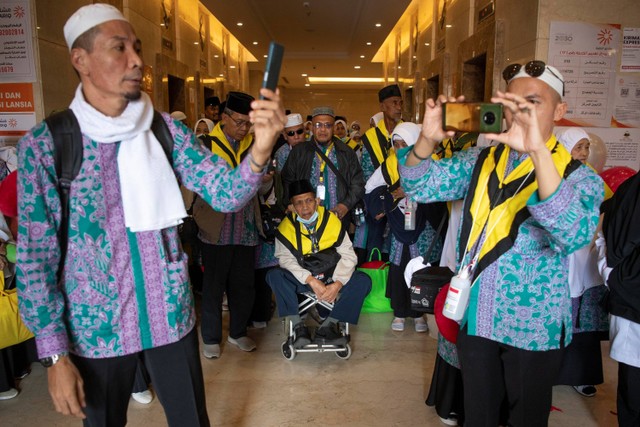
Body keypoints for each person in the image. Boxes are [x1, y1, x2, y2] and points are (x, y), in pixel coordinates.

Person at [16, 4, 284, 425]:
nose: (137, 60)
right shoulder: (47, 145)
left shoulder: (164, 130)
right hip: (95, 328)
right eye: (118, 48)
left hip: (169, 315)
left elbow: (227, 194)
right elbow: (35, 260)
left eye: (136, 48)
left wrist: (261, 149)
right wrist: (53, 356)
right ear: (79, 59)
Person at [399, 60, 604, 425]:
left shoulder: (578, 177)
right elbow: (420, 184)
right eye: (512, 103)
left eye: (533, 102)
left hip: (533, 328)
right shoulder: (481, 160)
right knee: (479, 414)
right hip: (476, 317)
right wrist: (426, 141)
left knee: (525, 417)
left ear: (559, 110)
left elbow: (571, 234)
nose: (520, 113)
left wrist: (538, 151)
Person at [266, 180, 371, 345]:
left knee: (363, 280)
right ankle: (297, 327)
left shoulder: (332, 221)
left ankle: (329, 326)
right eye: (298, 203)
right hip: (305, 279)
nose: (305, 207)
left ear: (317, 201)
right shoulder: (284, 229)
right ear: (292, 207)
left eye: (308, 200)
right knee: (274, 276)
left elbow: (348, 254)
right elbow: (286, 260)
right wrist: (311, 280)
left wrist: (337, 283)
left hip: (332, 277)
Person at [198, 91, 263, 358]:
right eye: (238, 122)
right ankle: (211, 337)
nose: (243, 128)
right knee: (213, 286)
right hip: (217, 228)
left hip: (246, 227)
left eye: (248, 123)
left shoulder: (253, 145)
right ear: (223, 118)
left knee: (243, 285)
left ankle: (238, 332)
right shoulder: (204, 144)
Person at [364, 122, 445, 332]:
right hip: (400, 223)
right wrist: (393, 194)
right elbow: (370, 188)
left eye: (404, 144)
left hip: (423, 224)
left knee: (422, 267)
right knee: (399, 266)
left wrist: (412, 192)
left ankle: (419, 315)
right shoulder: (390, 164)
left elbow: (441, 190)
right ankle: (399, 313)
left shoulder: (431, 162)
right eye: (396, 144)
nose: (400, 149)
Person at [554, 127, 609, 397]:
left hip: (584, 255)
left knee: (582, 320)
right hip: (558, 254)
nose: (584, 153)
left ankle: (582, 375)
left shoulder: (592, 179)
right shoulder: (551, 173)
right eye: (579, 147)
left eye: (586, 147)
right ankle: (551, 373)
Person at [598, 169, 640, 427]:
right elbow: (617, 238)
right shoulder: (634, 190)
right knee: (634, 387)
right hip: (633, 300)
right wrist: (612, 273)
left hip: (630, 295)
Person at [281, 106, 365, 231]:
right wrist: (290, 205)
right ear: (312, 128)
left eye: (328, 125)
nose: (323, 130)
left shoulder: (346, 152)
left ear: (334, 128)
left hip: (338, 218)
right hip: (306, 219)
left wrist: (345, 205)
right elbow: (287, 181)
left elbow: (358, 183)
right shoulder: (299, 152)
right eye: (318, 125)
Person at [360, 85, 404, 258]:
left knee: (400, 253)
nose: (399, 107)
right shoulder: (370, 137)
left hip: (403, 202)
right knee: (377, 252)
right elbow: (366, 174)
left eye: (401, 103)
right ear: (382, 106)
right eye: (394, 103)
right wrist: (382, 201)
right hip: (378, 203)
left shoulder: (408, 133)